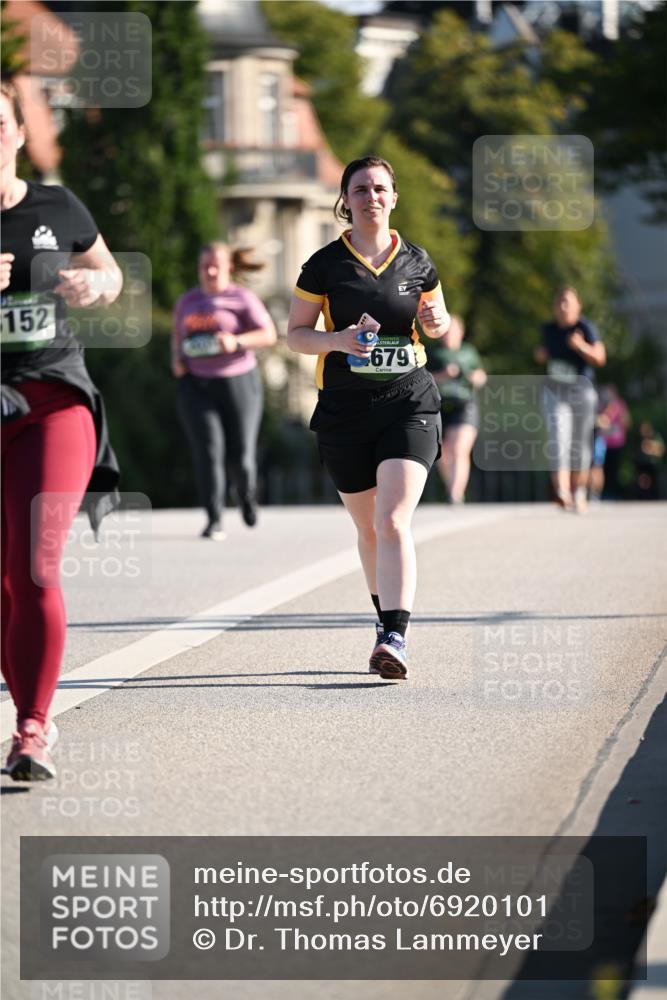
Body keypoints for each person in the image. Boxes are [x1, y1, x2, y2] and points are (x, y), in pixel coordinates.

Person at [286, 155, 450, 680]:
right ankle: (385, 623)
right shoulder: (324, 265)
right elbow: (294, 334)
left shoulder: (419, 262)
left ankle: (395, 636)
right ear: (346, 199)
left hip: (410, 401)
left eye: (380, 188)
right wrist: (337, 340)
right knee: (368, 529)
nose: (371, 197)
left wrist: (437, 320)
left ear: (394, 197)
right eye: (360, 189)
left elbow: (437, 321)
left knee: (392, 519)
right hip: (344, 411)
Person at [1, 80, 122, 780]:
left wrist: (93, 286)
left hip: (53, 402)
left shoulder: (57, 205)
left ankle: (32, 730)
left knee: (35, 568)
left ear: (18, 133)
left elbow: (107, 274)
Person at [172, 243, 277, 539]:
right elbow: (178, 336)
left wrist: (237, 342)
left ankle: (246, 496)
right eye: (205, 266)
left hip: (237, 381)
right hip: (196, 384)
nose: (210, 271)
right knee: (208, 452)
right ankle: (214, 518)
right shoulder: (188, 300)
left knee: (241, 457)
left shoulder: (242, 298)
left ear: (229, 267)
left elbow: (268, 334)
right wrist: (177, 359)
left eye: (216, 265)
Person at [534, 286, 606, 513]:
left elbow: (600, 358)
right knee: (558, 439)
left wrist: (581, 346)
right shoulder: (549, 329)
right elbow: (542, 353)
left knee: (580, 444)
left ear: (578, 305)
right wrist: (540, 354)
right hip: (555, 392)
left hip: (581, 392)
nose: (563, 306)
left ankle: (579, 492)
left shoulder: (585, 327)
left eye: (567, 302)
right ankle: (563, 492)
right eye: (559, 302)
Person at [427, 314, 486, 504]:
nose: (448, 335)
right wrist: (443, 375)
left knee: (459, 449)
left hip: (465, 405)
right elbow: (422, 380)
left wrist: (475, 377)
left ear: (460, 332)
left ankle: (455, 494)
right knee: (442, 454)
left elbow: (481, 376)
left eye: (452, 331)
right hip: (440, 406)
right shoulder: (433, 352)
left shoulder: (469, 352)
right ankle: (451, 485)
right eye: (445, 331)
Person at [598, 384, 631, 499]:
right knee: (602, 469)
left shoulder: (620, 405)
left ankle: (612, 493)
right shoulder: (601, 406)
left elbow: (626, 422)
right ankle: (603, 493)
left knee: (614, 469)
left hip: (617, 443)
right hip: (603, 444)